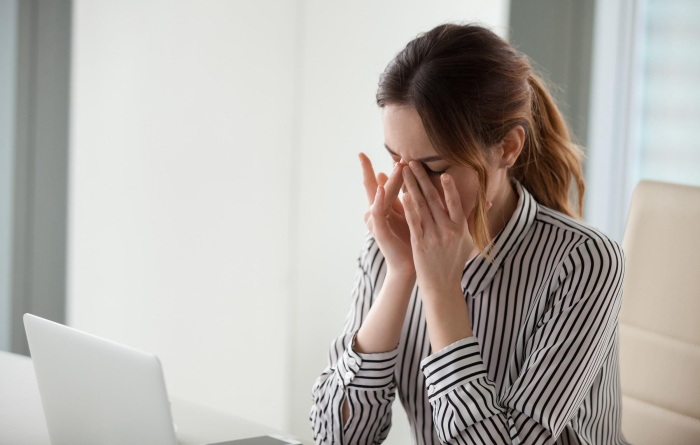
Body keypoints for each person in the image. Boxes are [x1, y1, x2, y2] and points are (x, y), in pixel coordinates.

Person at [309, 23, 629, 445]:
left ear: (508, 148)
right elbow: (337, 438)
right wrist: (402, 274)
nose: (408, 189)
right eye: (396, 161)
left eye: (435, 168)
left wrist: (442, 293)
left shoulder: (584, 262)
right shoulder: (391, 246)